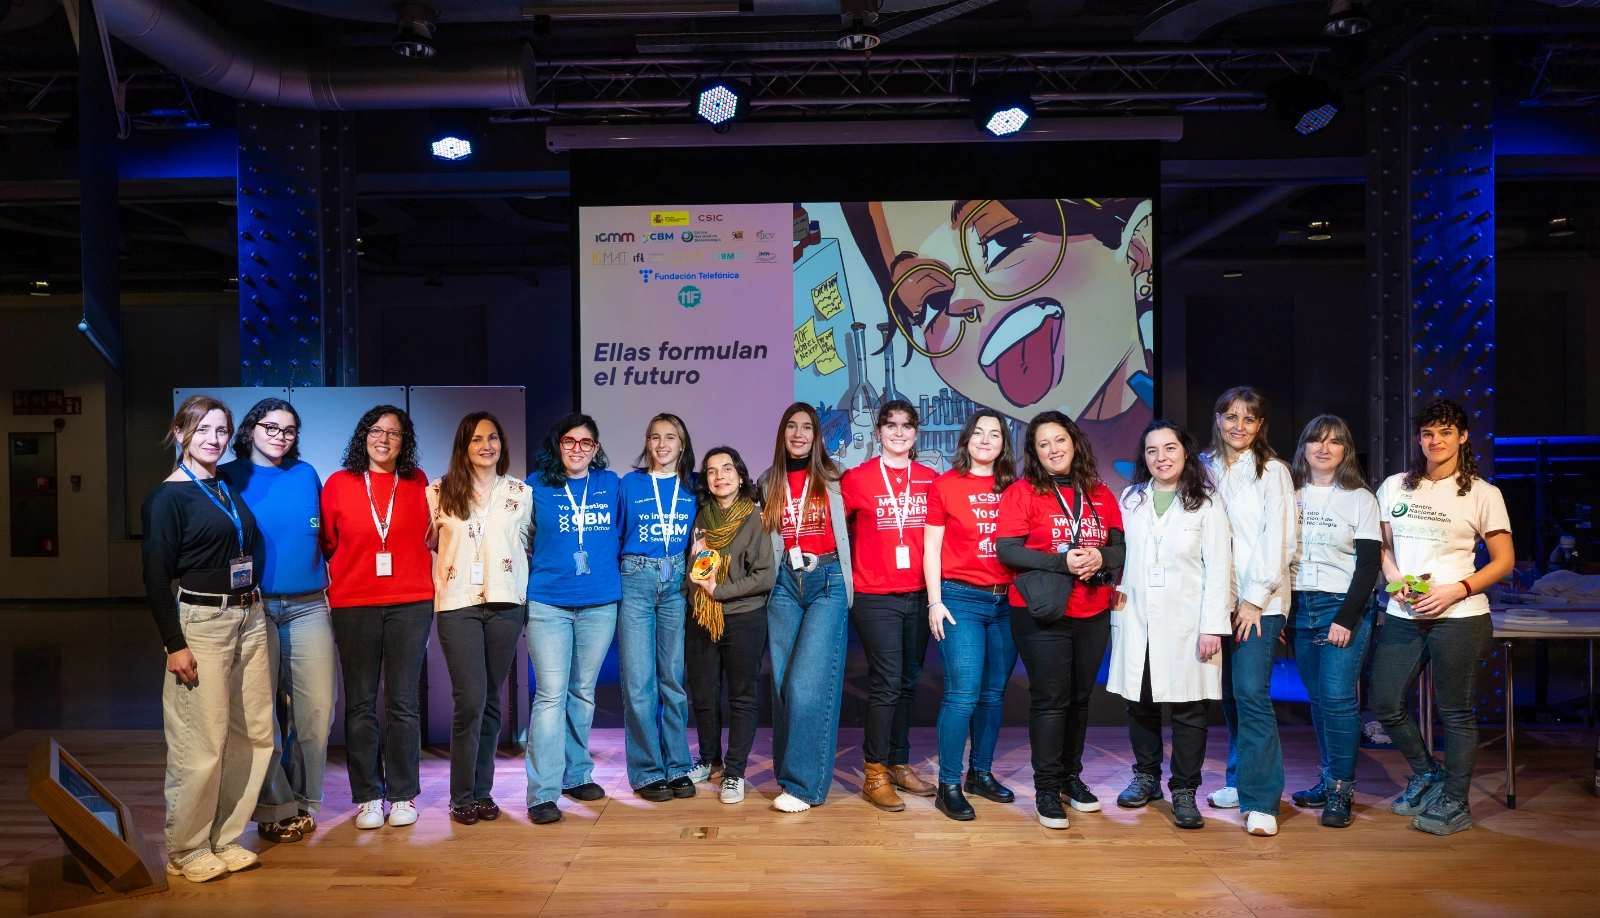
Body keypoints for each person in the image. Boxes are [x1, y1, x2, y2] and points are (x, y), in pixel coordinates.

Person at [142, 395, 273, 882]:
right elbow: (155, 578)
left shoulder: (222, 486)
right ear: (180, 434)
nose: (213, 440)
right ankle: (187, 848)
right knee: (201, 741)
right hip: (202, 623)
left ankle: (226, 836)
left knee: (253, 733)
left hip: (250, 617)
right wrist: (174, 643)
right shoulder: (166, 498)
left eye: (221, 431)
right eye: (202, 431)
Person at [1370, 398, 1513, 836]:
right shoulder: (1396, 486)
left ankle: (1455, 801)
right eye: (1428, 433)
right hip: (1403, 611)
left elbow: (1503, 561)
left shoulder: (1484, 493)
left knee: (1456, 714)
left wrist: (1457, 588)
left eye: (1446, 433)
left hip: (1461, 615)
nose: (1435, 441)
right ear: (1420, 438)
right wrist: (1394, 578)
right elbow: (1381, 545)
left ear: (1463, 437)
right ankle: (1427, 773)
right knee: (1385, 702)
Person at [997, 410, 1125, 830]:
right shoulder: (1022, 492)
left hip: (1092, 610)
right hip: (1043, 612)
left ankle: (1072, 778)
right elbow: (1009, 551)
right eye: (1043, 444)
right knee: (1050, 700)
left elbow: (1120, 549)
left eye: (1059, 440)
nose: (1054, 449)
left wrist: (1099, 556)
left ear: (1074, 442)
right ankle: (1047, 790)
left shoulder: (1100, 492)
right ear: (1034, 453)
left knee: (1079, 699)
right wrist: (1063, 562)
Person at [1108, 420, 1231, 830]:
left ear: (1185, 452)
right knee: (1140, 704)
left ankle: (1183, 789)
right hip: (1137, 616)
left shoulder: (1208, 503)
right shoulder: (1131, 498)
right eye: (1152, 451)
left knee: (1189, 708)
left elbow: (1219, 570)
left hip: (1188, 622)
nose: (1161, 458)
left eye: (1170, 449)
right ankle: (1146, 777)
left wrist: (1212, 626)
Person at [220, 398, 333, 846]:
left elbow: (325, 535)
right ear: (250, 430)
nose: (280, 437)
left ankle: (303, 799)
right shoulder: (228, 477)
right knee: (258, 716)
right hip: (253, 606)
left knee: (317, 712)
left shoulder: (306, 475)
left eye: (289, 430)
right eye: (271, 427)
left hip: (308, 605)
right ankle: (274, 808)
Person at [321, 405, 433, 830]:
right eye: (376, 430)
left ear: (405, 442)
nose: (384, 439)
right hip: (355, 604)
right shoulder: (338, 484)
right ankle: (368, 796)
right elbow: (329, 542)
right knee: (361, 703)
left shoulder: (418, 482)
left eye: (394, 433)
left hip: (411, 602)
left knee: (404, 702)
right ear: (363, 435)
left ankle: (403, 795)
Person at [426, 412, 532, 825]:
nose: (486, 445)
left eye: (492, 437)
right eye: (476, 439)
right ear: (463, 446)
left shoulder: (521, 493)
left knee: (490, 702)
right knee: (468, 700)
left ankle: (483, 793)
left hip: (507, 604)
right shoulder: (438, 492)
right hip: (457, 605)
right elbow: (433, 545)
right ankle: (461, 795)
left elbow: (529, 544)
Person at [1200, 386, 1295, 836]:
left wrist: (1254, 599)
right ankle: (1240, 781)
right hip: (1217, 599)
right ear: (1217, 418)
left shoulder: (1273, 471)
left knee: (1253, 696)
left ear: (1261, 426)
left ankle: (1262, 802)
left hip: (1261, 601)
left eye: (1249, 419)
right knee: (1232, 698)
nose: (1239, 426)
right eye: (1231, 416)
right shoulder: (1202, 466)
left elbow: (1279, 541)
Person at [524, 413, 624, 825]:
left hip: (599, 601)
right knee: (550, 694)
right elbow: (524, 536)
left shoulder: (611, 484)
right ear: (558, 444)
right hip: (548, 602)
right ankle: (542, 793)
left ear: (596, 449)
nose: (577, 449)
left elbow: (620, 531)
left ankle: (576, 773)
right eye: (569, 441)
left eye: (586, 443)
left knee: (582, 692)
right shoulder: (535, 485)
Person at [841, 399, 940, 811]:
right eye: (890, 425)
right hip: (873, 595)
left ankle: (898, 762)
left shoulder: (931, 479)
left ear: (916, 434)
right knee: (887, 679)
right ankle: (875, 770)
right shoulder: (856, 479)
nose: (898, 432)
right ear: (879, 432)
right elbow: (837, 532)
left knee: (908, 681)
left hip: (919, 593)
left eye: (906, 426)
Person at [1286, 415, 1383, 828]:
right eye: (1315, 440)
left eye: (1334, 442)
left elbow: (1368, 566)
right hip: (1296, 605)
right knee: (1319, 700)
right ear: (1304, 447)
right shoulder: (1287, 493)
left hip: (1342, 605)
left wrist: (1346, 617)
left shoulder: (1360, 498)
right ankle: (1328, 780)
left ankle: (1342, 788)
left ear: (1346, 450)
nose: (1324, 448)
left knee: (1338, 697)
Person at [923, 409, 1020, 821]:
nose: (985, 439)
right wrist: (934, 601)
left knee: (993, 694)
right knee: (962, 694)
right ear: (966, 439)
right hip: (960, 598)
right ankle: (948, 784)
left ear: (1003, 444)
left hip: (1007, 601)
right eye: (978, 432)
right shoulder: (946, 485)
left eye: (994, 434)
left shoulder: (1016, 488)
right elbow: (931, 549)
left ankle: (980, 773)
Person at [759, 402, 855, 813]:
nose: (799, 434)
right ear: (782, 433)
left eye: (807, 428)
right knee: (783, 686)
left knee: (807, 685)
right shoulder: (767, 482)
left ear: (818, 436)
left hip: (827, 582)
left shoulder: (836, 478)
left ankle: (802, 787)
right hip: (783, 583)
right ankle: (789, 776)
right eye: (791, 427)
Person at [685, 446, 775, 805]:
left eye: (726, 469)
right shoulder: (701, 517)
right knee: (704, 696)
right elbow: (695, 569)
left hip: (744, 617)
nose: (719, 476)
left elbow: (764, 576)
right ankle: (710, 761)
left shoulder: (757, 518)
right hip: (703, 616)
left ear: (740, 476)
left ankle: (735, 773)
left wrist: (721, 591)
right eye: (711, 471)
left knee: (741, 697)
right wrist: (699, 595)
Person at [617, 414, 700, 801]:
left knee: (672, 679)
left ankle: (678, 765)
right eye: (655, 437)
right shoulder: (628, 484)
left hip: (675, 582)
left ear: (682, 445)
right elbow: (613, 534)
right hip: (635, 577)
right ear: (647, 443)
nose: (663, 444)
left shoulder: (692, 488)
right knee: (639, 682)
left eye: (671, 438)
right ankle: (648, 770)